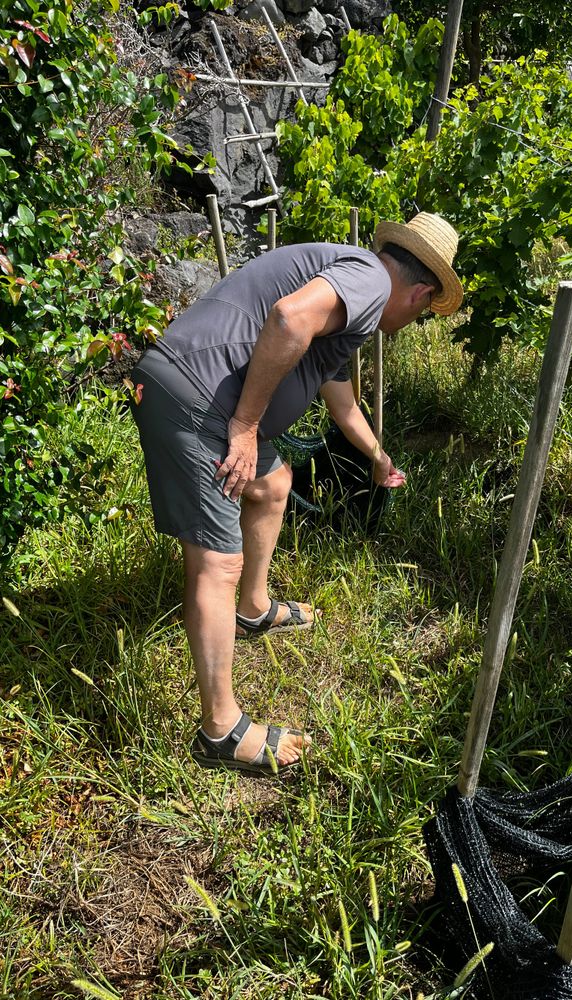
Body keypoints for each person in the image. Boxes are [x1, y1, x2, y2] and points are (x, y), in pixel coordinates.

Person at [129, 212, 463, 776]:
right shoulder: (369, 282)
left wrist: (378, 458)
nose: (414, 321)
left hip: (208, 398)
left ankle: (254, 611)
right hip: (201, 404)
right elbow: (288, 319)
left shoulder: (347, 301)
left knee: (273, 483)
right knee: (217, 561)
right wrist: (244, 425)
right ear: (421, 293)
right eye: (424, 312)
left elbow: (342, 403)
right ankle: (221, 730)